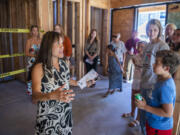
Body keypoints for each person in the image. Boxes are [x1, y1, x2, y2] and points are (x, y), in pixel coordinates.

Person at [32, 31, 95, 135]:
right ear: (48, 46)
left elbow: (66, 80)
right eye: (58, 43)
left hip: (65, 114)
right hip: (48, 119)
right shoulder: (39, 68)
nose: (62, 46)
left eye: (62, 43)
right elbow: (34, 96)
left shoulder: (64, 63)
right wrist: (51, 95)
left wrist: (84, 83)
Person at [136, 50, 180, 135]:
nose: (153, 64)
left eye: (156, 63)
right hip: (153, 122)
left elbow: (168, 113)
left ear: (166, 68)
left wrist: (145, 107)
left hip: (160, 128)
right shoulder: (160, 79)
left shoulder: (166, 86)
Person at [139, 19, 169, 135]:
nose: (151, 33)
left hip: (154, 85)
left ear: (159, 30)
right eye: (149, 30)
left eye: (154, 30)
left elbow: (165, 68)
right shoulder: (147, 45)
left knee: (150, 115)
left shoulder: (163, 46)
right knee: (142, 112)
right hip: (144, 82)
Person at [122, 41, 145, 127]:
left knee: (139, 99)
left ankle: (138, 119)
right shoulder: (136, 56)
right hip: (135, 80)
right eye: (139, 47)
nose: (140, 49)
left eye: (142, 47)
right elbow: (133, 61)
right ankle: (132, 113)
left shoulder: (147, 58)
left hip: (142, 82)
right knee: (133, 97)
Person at [25, 25, 41, 95]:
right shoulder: (29, 41)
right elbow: (26, 53)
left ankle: (38, 92)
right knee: (30, 77)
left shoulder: (41, 40)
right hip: (31, 62)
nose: (35, 32)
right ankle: (31, 92)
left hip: (39, 62)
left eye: (36, 30)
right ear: (31, 32)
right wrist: (35, 55)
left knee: (39, 76)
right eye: (34, 30)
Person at [172, 28, 180, 135]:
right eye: (175, 34)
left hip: (178, 85)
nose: (176, 36)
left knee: (176, 114)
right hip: (173, 83)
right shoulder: (174, 49)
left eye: (178, 34)